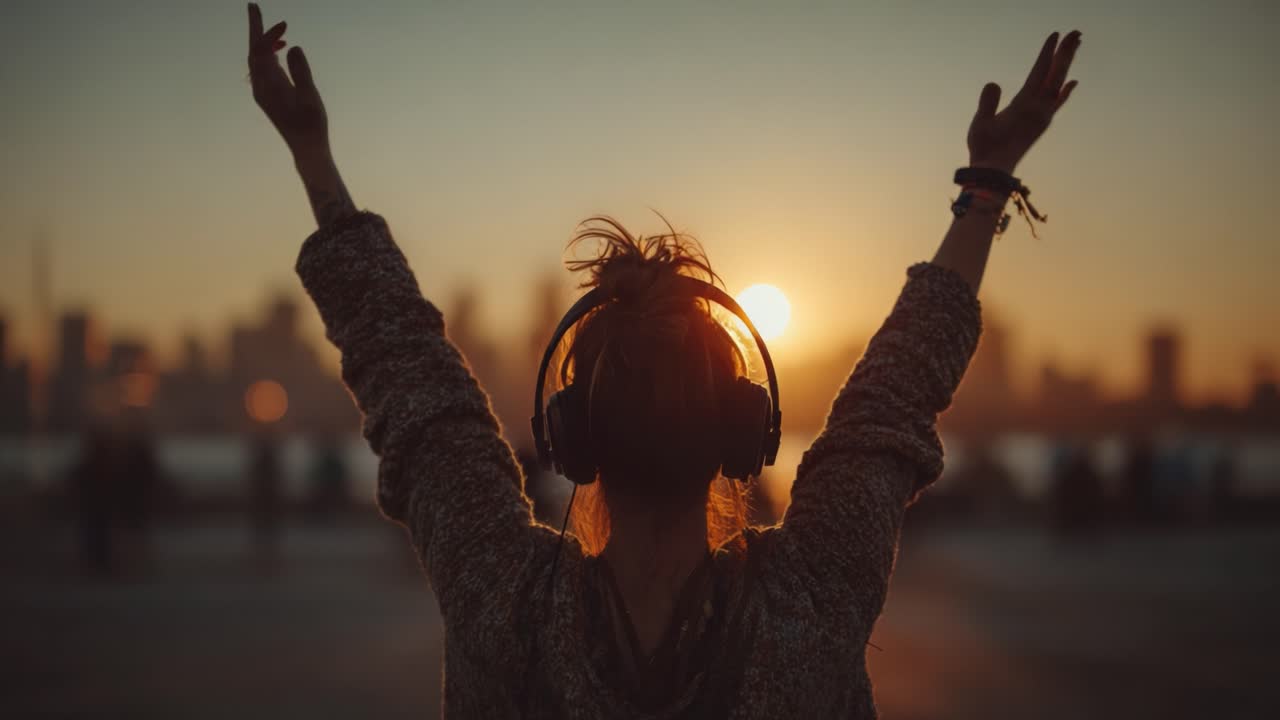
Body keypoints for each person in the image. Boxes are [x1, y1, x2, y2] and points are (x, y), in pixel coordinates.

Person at [246, 5, 1080, 716]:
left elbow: (406, 369)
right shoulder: (811, 602)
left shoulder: (504, 602)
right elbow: (896, 390)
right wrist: (986, 182)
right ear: (743, 430)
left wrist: (311, 152)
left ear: (572, 437)